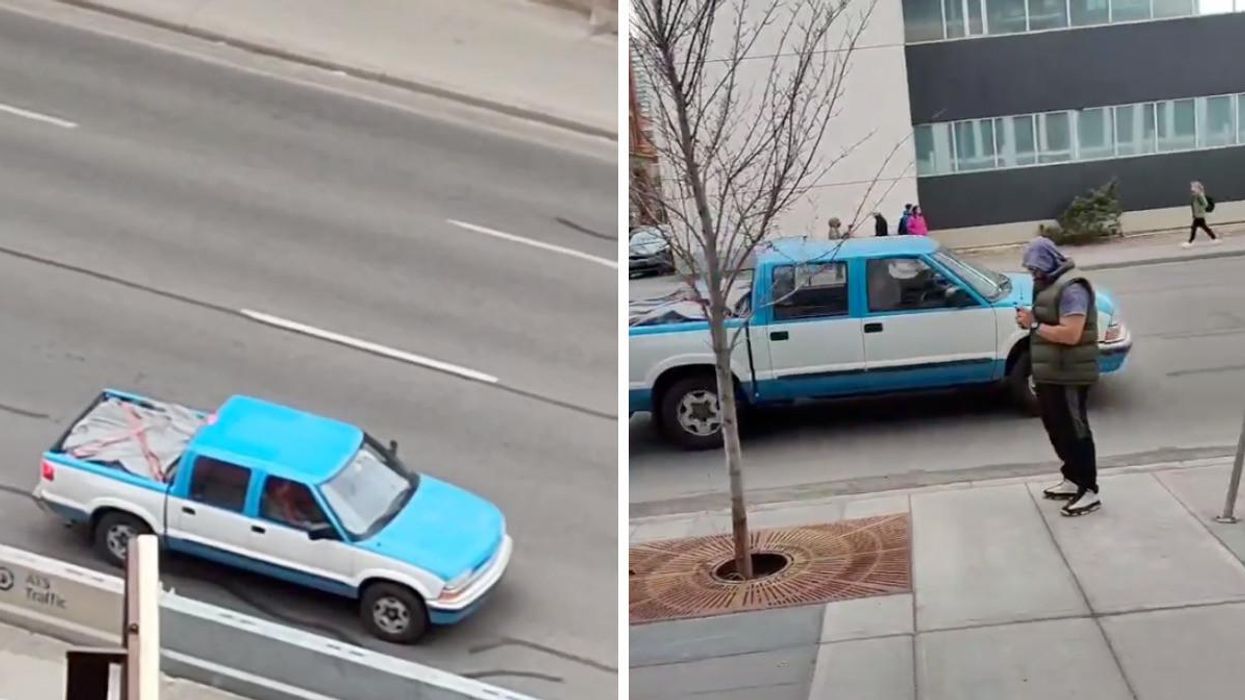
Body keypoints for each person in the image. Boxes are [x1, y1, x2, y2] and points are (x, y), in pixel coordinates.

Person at [1015, 237, 1101, 516]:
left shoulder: (1072, 288)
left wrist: (1034, 324)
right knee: (1056, 427)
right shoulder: (1048, 285)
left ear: (1049, 262)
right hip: (1050, 371)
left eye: (1035, 269)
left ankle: (1088, 490)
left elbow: (1071, 334)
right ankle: (1071, 477)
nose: (1033, 274)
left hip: (1070, 373)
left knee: (1075, 431)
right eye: (1030, 270)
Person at [1185, 181, 1220, 248]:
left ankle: (1190, 242)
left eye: (1193, 188)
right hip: (1198, 215)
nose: (1192, 189)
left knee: (1194, 228)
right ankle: (1214, 238)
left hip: (1199, 215)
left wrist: (1200, 210)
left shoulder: (1199, 196)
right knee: (1204, 228)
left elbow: (1205, 204)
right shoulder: (1196, 196)